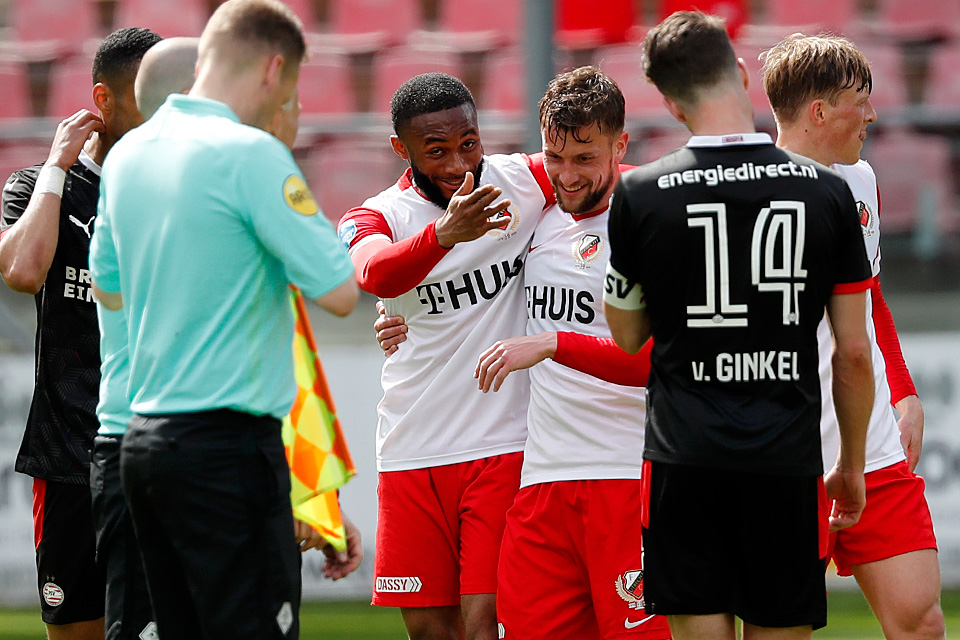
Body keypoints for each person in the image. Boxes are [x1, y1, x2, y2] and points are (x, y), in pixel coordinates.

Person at [88, 1, 358, 638]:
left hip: (142, 442)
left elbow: (109, 289)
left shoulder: (127, 155)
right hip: (227, 447)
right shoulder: (251, 155)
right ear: (273, 70)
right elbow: (341, 291)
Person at [602, 12, 874, 640]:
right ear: (743, 74)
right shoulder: (826, 193)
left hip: (683, 461)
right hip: (785, 460)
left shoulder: (641, 194)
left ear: (671, 104)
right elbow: (854, 354)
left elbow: (626, 335)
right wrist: (852, 465)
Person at [336, 72, 554, 640]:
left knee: (487, 627)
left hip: (502, 444)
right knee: (431, 631)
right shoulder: (376, 215)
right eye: (436, 151)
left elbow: (599, 175)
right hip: (410, 449)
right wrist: (444, 235)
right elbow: (373, 273)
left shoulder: (522, 180)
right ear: (400, 149)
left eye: (469, 143)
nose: (459, 164)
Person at [472, 67, 671, 640]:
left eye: (585, 158)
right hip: (543, 485)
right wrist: (397, 316)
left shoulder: (653, 221)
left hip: (629, 478)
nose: (567, 175)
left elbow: (657, 362)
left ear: (620, 145)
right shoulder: (532, 217)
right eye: (555, 157)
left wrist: (554, 342)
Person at [762, 34, 945, 640]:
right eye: (860, 101)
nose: (873, 115)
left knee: (921, 621)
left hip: (873, 447)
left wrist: (904, 390)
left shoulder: (860, 179)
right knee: (780, 631)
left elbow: (869, 296)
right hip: (783, 458)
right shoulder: (746, 196)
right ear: (819, 112)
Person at [0, 27, 161, 640]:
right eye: (148, 97)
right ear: (104, 99)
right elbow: (22, 271)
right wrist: (56, 169)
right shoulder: (40, 185)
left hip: (160, 448)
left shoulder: (174, 195)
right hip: (70, 452)